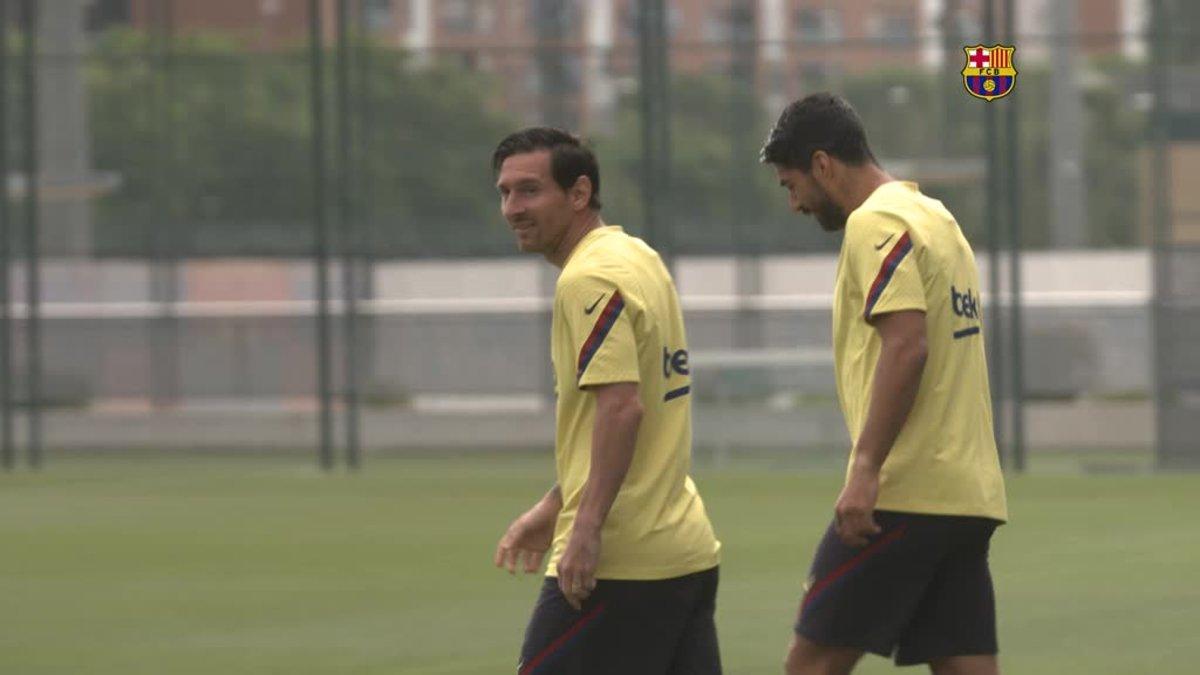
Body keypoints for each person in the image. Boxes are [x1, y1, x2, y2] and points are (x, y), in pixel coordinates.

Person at [760, 93, 1008, 675]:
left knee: (812, 663)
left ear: (823, 164)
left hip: (904, 492)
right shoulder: (935, 218)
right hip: (966, 495)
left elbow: (907, 344)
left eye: (791, 184)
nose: (795, 203)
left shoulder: (876, 222)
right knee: (964, 664)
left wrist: (866, 466)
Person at [491, 127, 722, 675]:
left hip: (622, 563)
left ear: (578, 194)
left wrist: (586, 527)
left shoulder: (588, 279)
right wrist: (555, 505)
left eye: (529, 191)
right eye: (504, 193)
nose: (512, 208)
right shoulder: (636, 256)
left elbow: (622, 408)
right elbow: (622, 408)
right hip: (684, 551)